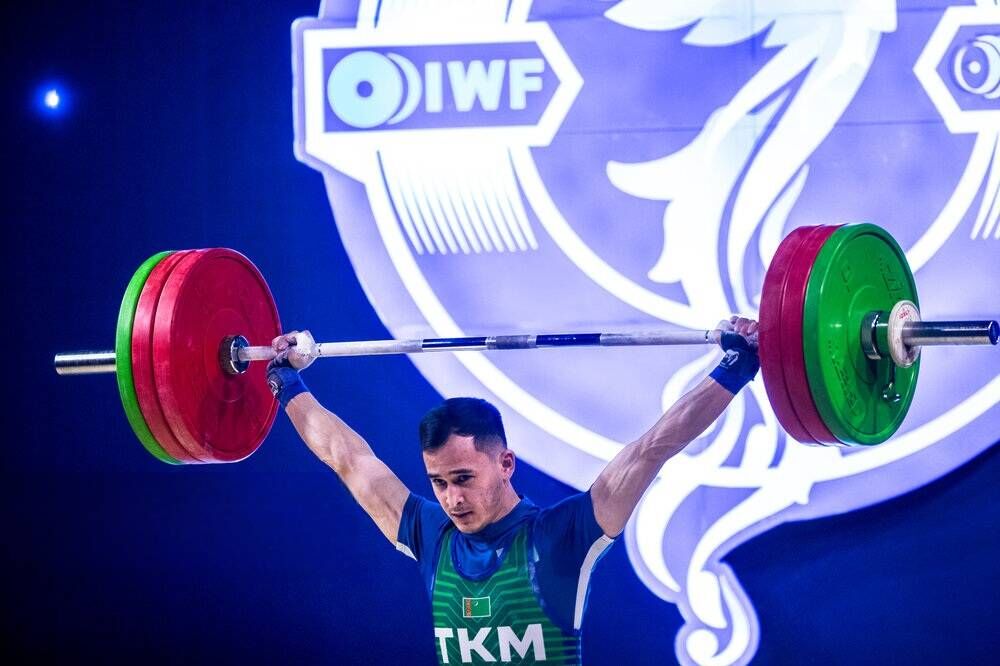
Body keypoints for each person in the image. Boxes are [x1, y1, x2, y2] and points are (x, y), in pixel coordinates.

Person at [265, 317, 760, 665]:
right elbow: (348, 458)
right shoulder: (430, 533)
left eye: (464, 479)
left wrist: (736, 368)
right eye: (438, 482)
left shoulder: (562, 536)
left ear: (505, 464)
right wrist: (285, 382)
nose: (452, 499)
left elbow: (653, 448)